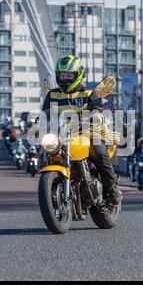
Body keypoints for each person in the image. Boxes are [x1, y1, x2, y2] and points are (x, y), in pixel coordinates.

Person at [41, 55, 122, 206]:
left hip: (86, 132)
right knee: (49, 152)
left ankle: (112, 190)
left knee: (98, 151)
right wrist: (35, 120)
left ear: (78, 75)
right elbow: (45, 113)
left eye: (69, 75)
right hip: (61, 135)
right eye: (62, 75)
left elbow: (96, 108)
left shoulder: (90, 93)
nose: (65, 79)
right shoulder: (52, 95)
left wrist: (95, 114)